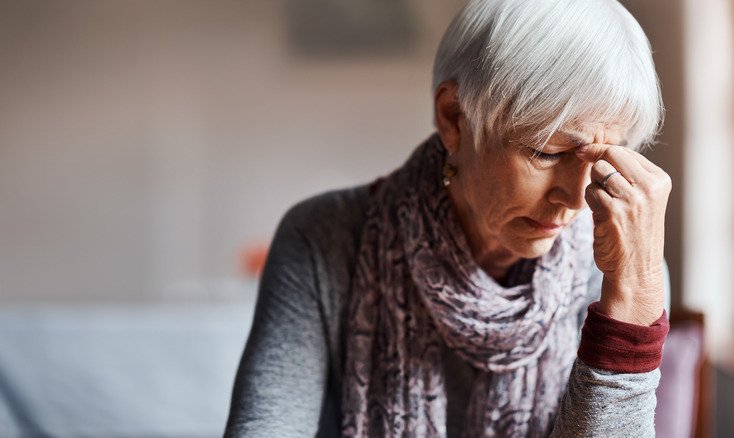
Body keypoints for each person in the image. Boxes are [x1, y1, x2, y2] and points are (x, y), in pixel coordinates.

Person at [225, 0, 673, 436]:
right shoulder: (322, 240)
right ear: (454, 119)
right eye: (546, 152)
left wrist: (631, 308)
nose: (576, 198)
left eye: (600, 163)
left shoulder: (619, 269)